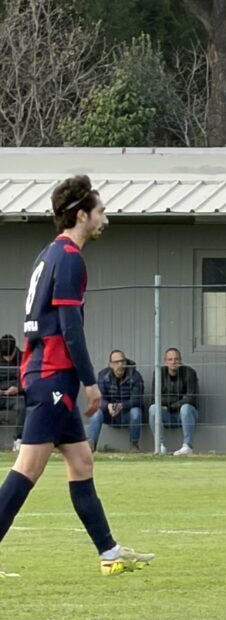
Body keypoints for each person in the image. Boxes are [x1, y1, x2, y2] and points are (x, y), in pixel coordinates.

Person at [0, 175, 153, 578]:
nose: (106, 219)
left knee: (81, 461)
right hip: (53, 375)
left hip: (49, 373)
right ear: (82, 215)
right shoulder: (69, 258)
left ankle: (109, 552)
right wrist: (90, 381)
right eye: (101, 211)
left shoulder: (50, 253)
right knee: (28, 467)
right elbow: (70, 327)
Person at [86, 350, 144, 451]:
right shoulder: (103, 375)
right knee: (96, 412)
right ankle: (90, 445)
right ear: (110, 364)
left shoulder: (135, 376)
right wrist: (108, 406)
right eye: (116, 362)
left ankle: (134, 445)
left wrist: (121, 406)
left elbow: (137, 400)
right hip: (108, 414)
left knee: (136, 412)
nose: (120, 364)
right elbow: (98, 398)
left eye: (122, 361)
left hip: (126, 414)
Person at [149, 348, 199, 456]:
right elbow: (154, 398)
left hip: (186, 415)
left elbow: (191, 398)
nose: (173, 362)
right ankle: (160, 446)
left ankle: (187, 447)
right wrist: (180, 399)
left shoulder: (189, 372)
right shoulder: (159, 373)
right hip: (167, 414)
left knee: (185, 408)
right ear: (165, 362)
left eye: (176, 359)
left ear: (180, 361)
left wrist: (170, 405)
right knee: (153, 409)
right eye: (170, 359)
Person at [0, 335, 25, 452]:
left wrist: (18, 388)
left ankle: (18, 440)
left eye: (10, 355)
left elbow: (29, 379)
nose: (8, 358)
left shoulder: (24, 357)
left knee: (22, 406)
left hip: (16, 395)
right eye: (5, 356)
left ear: (15, 348)